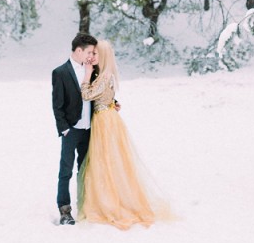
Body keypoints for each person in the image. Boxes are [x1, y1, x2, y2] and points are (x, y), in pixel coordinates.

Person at [76, 39, 171, 229]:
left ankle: (111, 201)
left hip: (105, 121)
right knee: (103, 160)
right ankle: (103, 198)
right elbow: (105, 96)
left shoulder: (104, 76)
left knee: (106, 160)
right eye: (91, 53)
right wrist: (112, 102)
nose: (92, 57)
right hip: (104, 117)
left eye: (95, 54)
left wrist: (86, 75)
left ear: (103, 56)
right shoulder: (103, 74)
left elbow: (87, 95)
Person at [51, 32, 97, 225]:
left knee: (86, 169)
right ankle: (65, 210)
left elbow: (98, 93)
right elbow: (57, 105)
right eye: (89, 52)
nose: (91, 56)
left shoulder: (93, 70)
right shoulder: (60, 72)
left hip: (90, 129)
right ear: (79, 51)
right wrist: (65, 129)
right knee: (66, 171)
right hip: (71, 130)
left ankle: (85, 206)